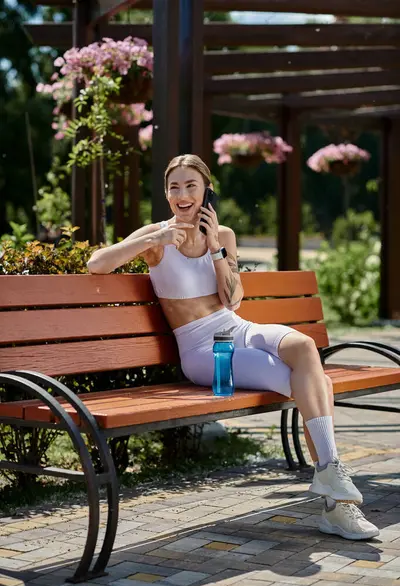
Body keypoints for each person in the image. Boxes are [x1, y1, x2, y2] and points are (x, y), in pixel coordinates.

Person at [88, 154, 378, 541]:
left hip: (235, 327)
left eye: (191, 185)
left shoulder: (222, 235)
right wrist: (152, 239)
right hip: (201, 351)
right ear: (166, 194)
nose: (182, 194)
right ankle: (337, 504)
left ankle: (330, 479)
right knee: (317, 385)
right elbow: (97, 264)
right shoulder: (156, 236)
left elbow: (233, 301)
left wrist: (215, 250)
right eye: (174, 187)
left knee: (304, 347)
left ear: (206, 189)